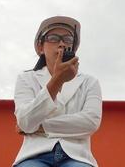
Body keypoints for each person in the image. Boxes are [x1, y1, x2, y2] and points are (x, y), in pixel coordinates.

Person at [13, 16, 102, 167]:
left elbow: (90, 122)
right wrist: (57, 81)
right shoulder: (26, 79)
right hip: (34, 155)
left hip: (76, 157)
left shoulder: (89, 82)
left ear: (73, 48)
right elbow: (25, 120)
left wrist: (40, 127)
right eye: (53, 38)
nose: (61, 43)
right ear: (41, 47)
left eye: (67, 39)